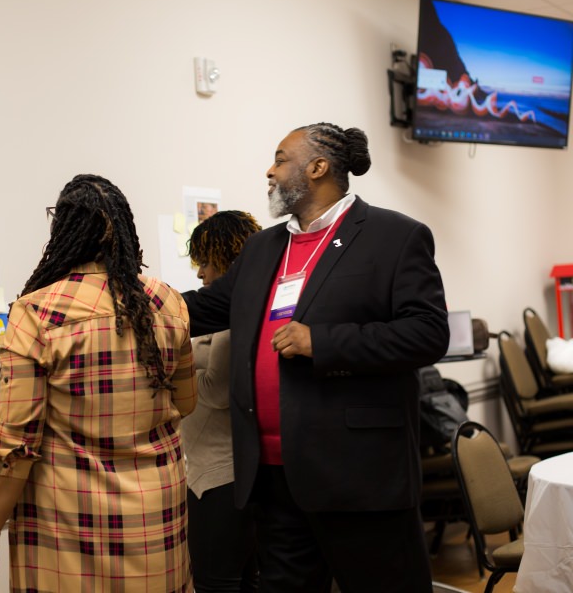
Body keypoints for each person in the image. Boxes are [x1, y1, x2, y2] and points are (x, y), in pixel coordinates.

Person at [181, 123, 450, 593]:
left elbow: (427, 333)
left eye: (281, 158)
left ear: (318, 167)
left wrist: (322, 342)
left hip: (357, 474)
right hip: (271, 477)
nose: (270, 169)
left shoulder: (394, 236)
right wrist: (122, 297)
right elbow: (205, 308)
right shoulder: (264, 247)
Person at [0, 174, 197, 593]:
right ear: (125, 229)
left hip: (70, 531)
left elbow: (13, 448)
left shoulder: (36, 312)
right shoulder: (169, 303)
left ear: (63, 231)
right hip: (156, 523)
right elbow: (186, 402)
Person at [183, 210, 261, 592]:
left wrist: (169, 372)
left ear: (227, 261)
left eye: (206, 262)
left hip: (221, 479)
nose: (200, 274)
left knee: (218, 583)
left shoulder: (234, 315)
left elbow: (215, 389)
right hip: (214, 474)